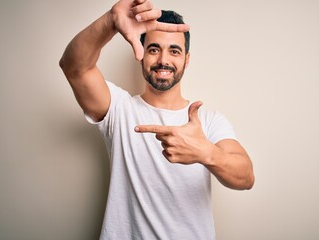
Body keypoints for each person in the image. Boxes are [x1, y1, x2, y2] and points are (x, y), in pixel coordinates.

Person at [59, 0, 255, 239]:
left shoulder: (208, 121)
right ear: (140, 54)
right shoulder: (119, 109)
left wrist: (206, 153)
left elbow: (246, 177)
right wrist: (110, 21)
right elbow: (74, 67)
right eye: (154, 49)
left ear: (187, 59)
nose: (164, 60)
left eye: (174, 51)